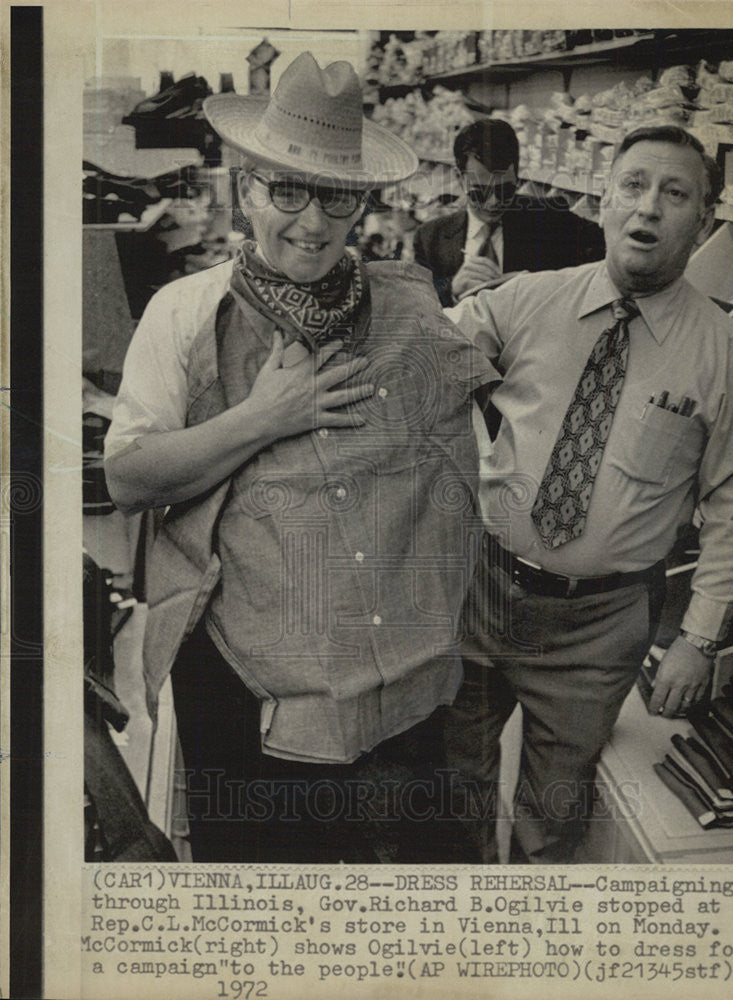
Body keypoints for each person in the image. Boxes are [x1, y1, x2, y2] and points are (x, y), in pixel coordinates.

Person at [104, 52, 499, 864]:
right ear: (245, 187)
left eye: (335, 195)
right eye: (285, 189)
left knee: (404, 906)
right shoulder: (185, 312)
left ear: (362, 203)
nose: (311, 222)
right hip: (247, 689)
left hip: (399, 690)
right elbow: (129, 479)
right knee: (263, 888)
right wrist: (262, 417)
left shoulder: (413, 309)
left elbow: (464, 481)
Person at [441, 125, 733, 863]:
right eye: (633, 186)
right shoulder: (525, 301)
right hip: (480, 591)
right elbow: (418, 353)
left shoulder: (726, 355)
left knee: (551, 821)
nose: (648, 208)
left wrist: (700, 637)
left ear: (705, 218)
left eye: (674, 193)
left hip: (600, 626)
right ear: (605, 203)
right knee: (447, 791)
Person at [413, 118, 605, 306]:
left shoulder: (551, 219)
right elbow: (417, 307)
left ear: (517, 175)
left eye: (505, 190)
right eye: (480, 192)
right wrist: (451, 290)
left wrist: (540, 284)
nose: (493, 202)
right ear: (458, 177)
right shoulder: (430, 238)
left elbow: (608, 252)